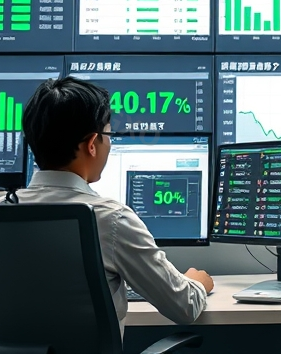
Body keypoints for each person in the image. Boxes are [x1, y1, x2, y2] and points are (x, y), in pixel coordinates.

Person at [12, 76, 213, 330]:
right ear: (92, 144)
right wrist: (196, 282)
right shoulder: (112, 220)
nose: (110, 143)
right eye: (109, 135)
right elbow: (184, 306)